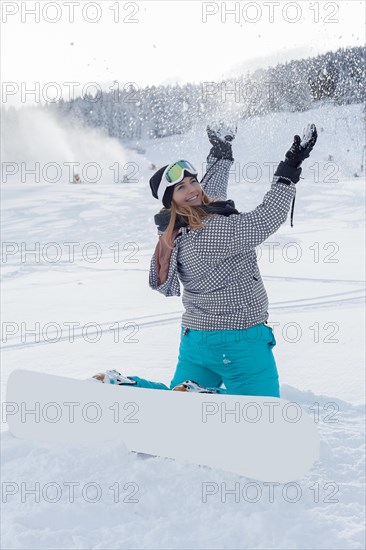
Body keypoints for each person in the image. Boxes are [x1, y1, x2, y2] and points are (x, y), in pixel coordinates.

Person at [93, 122, 317, 396]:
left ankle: (128, 387)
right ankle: (203, 397)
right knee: (261, 409)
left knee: (178, 403)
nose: (192, 189)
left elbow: (209, 194)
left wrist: (221, 155)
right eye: (181, 188)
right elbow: (265, 219)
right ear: (171, 200)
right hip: (238, 339)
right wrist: (289, 168)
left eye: (193, 181)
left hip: (196, 340)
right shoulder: (210, 232)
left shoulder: (174, 230)